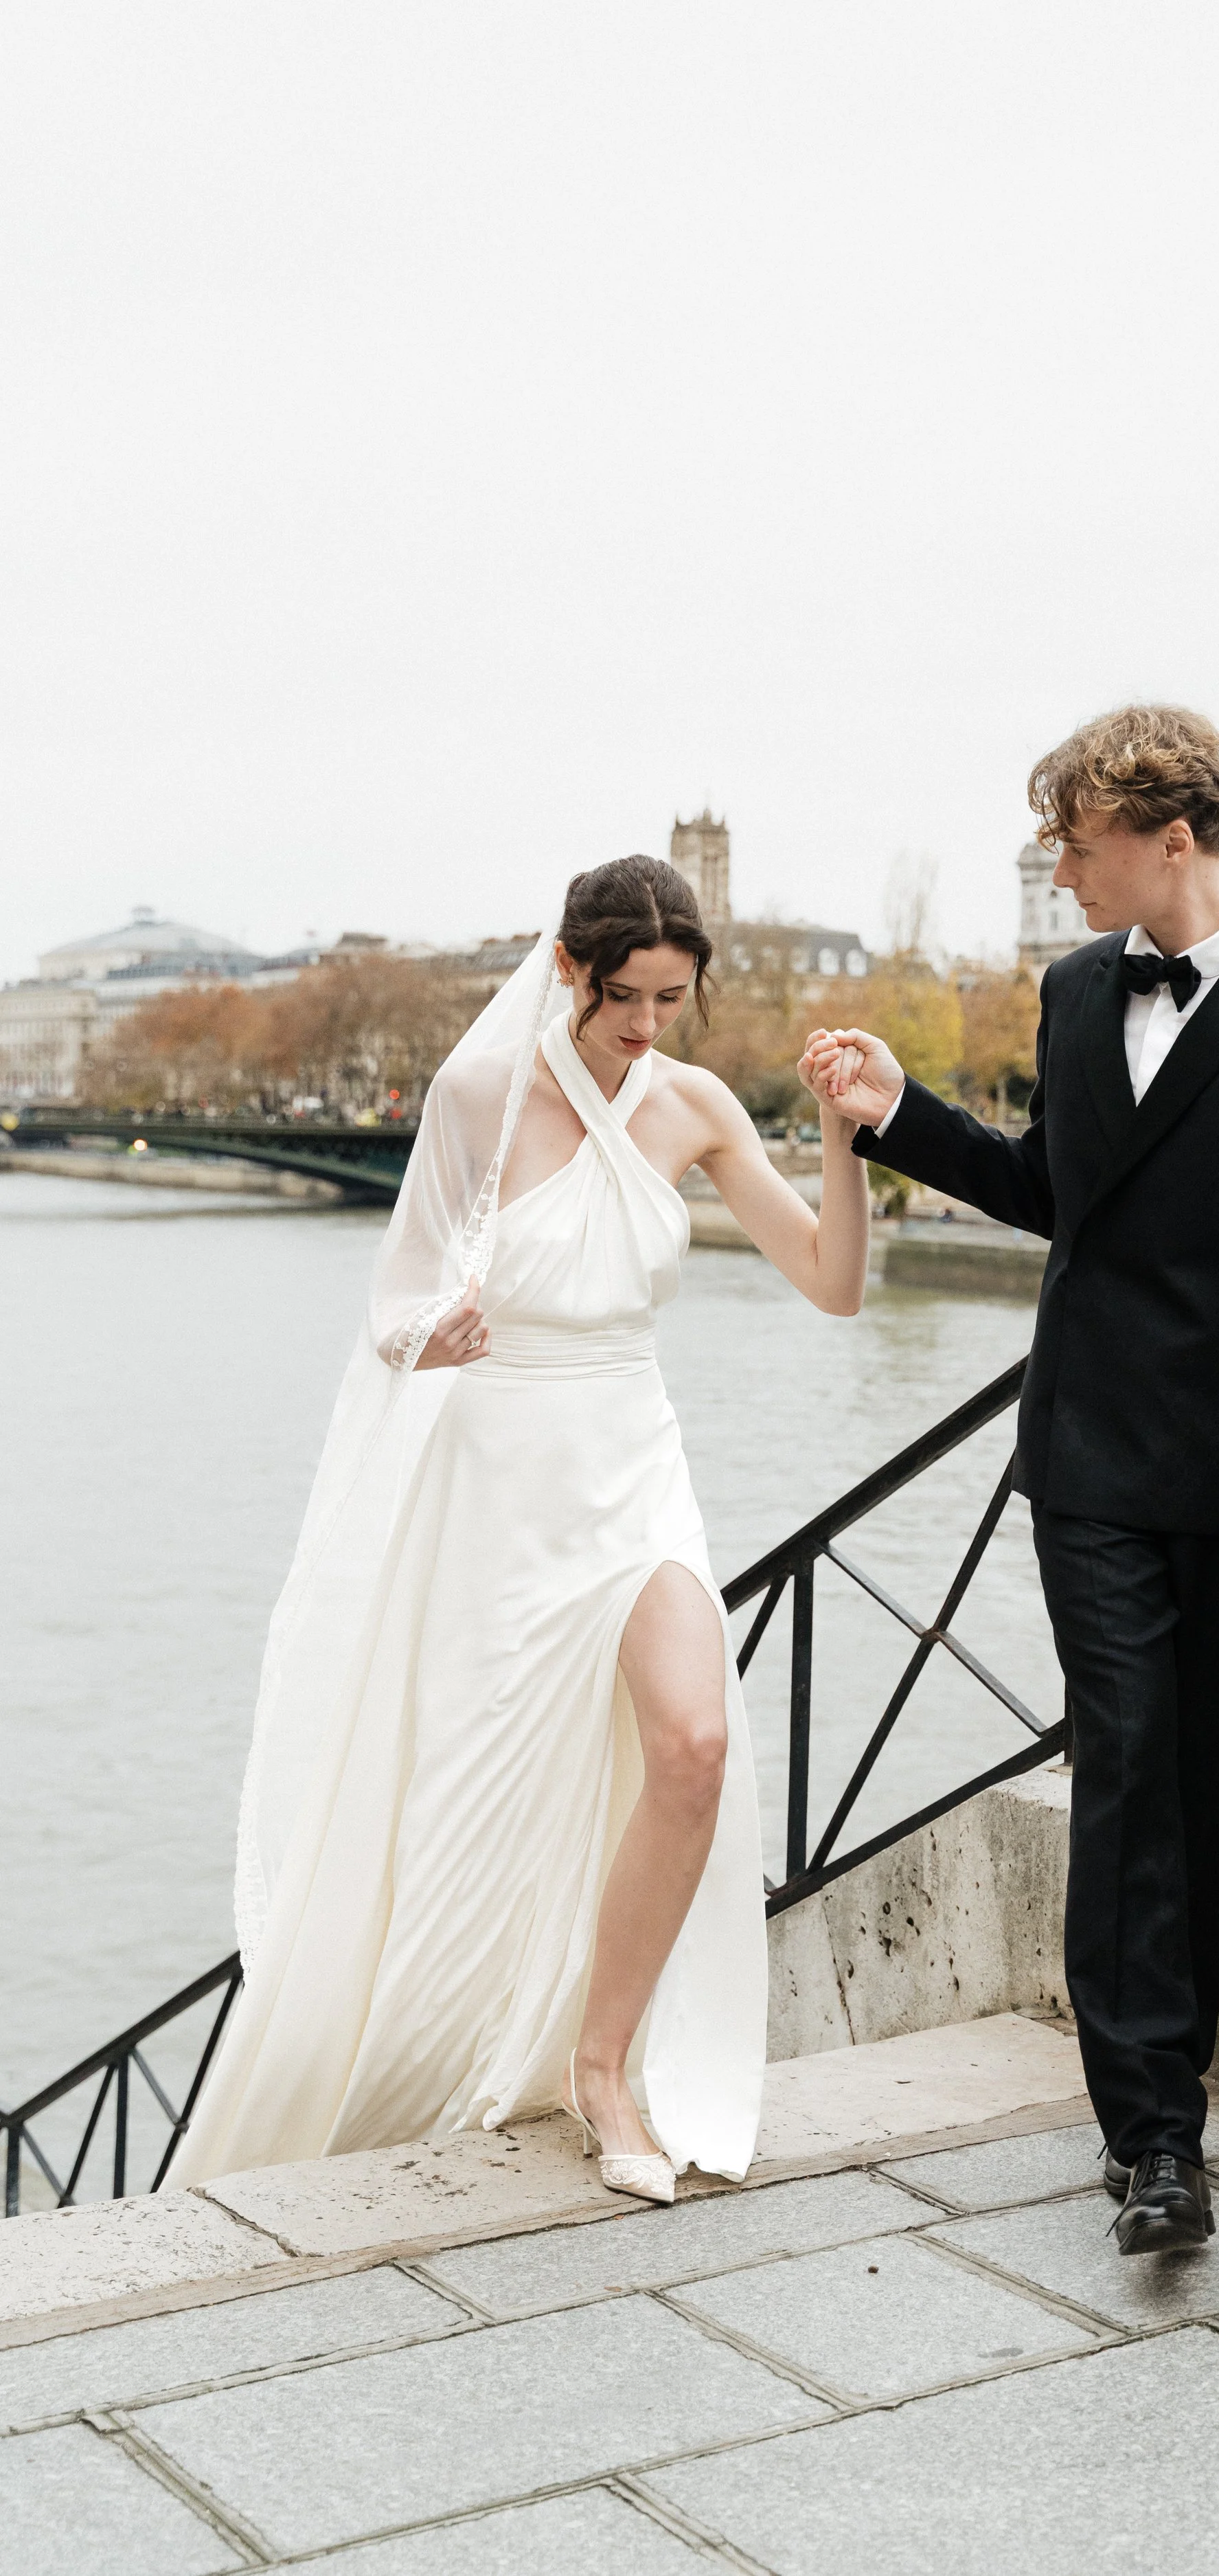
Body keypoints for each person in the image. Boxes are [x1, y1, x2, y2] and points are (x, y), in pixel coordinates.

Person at [804, 706, 1219, 2257]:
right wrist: (901, 1118)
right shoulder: (1074, 993)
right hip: (1083, 1462)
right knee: (1127, 1761)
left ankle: (1167, 2104)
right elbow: (1056, 1193)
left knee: (1206, 1797)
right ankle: (1149, 2140)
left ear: (1168, 838)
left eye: (1074, 843)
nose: (1057, 869)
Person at [177, 856, 870, 2202]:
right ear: (569, 970)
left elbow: (834, 1286)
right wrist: (429, 1332)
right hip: (502, 1483)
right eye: (627, 999)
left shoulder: (694, 1106)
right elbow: (393, 1298)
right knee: (465, 1803)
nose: (648, 1028)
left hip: (633, 1462)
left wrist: (845, 1138)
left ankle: (601, 2065)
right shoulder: (479, 1099)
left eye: (673, 1000)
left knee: (695, 1741)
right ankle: (424, 2050)